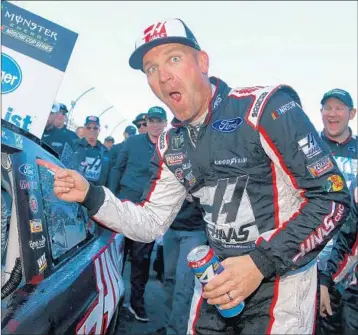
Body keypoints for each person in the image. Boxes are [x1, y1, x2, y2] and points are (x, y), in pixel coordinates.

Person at [37, 19, 351, 335]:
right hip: (217, 279)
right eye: (150, 69)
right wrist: (90, 195)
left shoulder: (264, 107)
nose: (162, 76)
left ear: (202, 62)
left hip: (282, 282)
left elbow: (333, 197)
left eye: (174, 58)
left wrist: (259, 262)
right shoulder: (170, 141)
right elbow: (150, 223)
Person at [108, 106, 167, 322]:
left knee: (141, 261)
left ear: (165, 123)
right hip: (124, 207)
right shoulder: (132, 143)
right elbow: (116, 168)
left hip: (148, 213)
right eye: (151, 121)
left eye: (159, 121)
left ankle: (136, 303)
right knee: (116, 257)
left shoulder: (169, 147)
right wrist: (112, 198)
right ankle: (111, 299)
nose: (154, 125)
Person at [317, 89, 358, 335]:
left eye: (339, 108)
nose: (333, 113)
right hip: (313, 257)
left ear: (351, 114)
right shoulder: (307, 149)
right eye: (328, 108)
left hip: (349, 260)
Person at [157, 199, 207, 335]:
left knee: (184, 288)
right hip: (171, 227)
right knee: (169, 281)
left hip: (195, 230)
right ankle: (169, 326)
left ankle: (177, 331)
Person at [72, 116, 112, 187]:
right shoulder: (74, 145)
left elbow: (109, 175)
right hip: (74, 187)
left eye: (95, 128)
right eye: (88, 127)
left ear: (99, 130)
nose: (92, 130)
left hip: (95, 192)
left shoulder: (106, 151)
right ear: (84, 129)